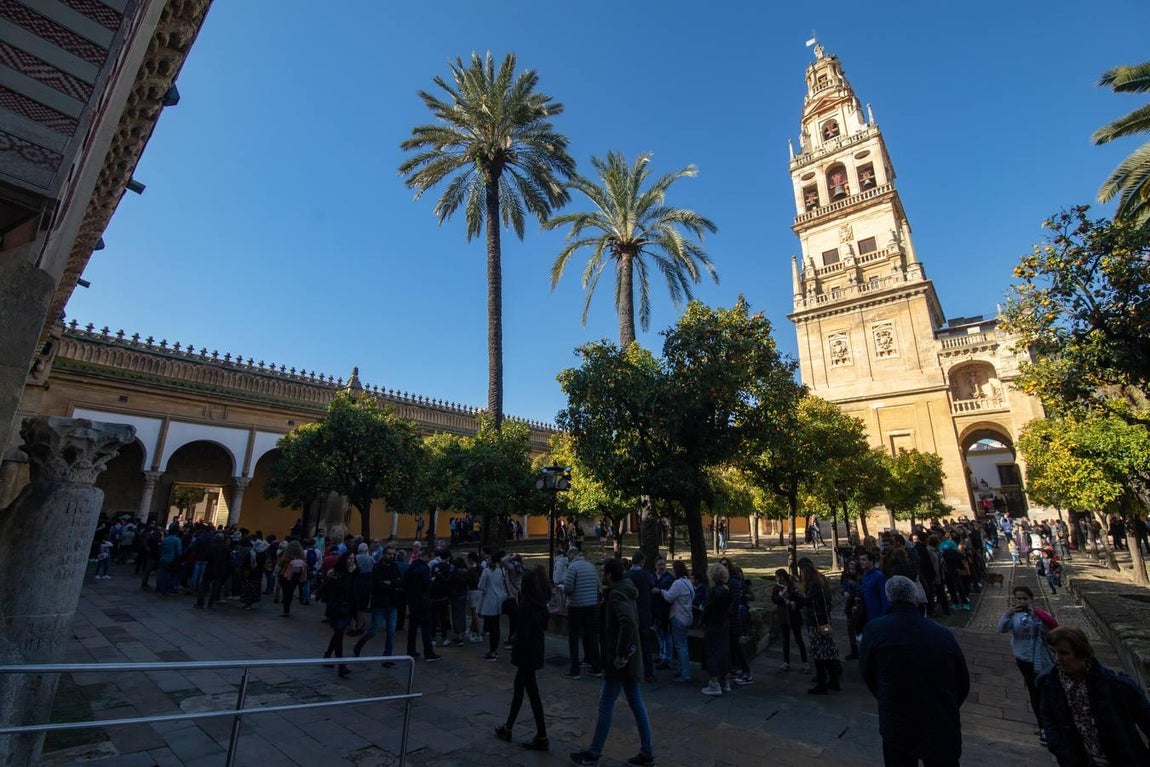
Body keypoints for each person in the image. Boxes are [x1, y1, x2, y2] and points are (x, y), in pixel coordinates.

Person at [860, 575, 971, 767]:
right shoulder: (942, 634)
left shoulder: (875, 630)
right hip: (940, 719)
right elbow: (962, 681)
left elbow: (868, 672)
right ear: (915, 597)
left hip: (897, 719)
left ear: (888, 598)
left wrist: (887, 695)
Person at [569, 557, 654, 767]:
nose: (601, 575)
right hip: (629, 659)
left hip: (619, 663)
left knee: (606, 704)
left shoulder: (616, 595)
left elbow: (627, 623)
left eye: (603, 571)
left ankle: (594, 753)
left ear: (609, 574)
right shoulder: (625, 590)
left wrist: (620, 654)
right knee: (636, 704)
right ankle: (646, 752)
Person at [1038, 626, 1150, 766]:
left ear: (1082, 654)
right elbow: (1048, 718)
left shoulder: (1117, 686)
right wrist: (1059, 747)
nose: (1057, 658)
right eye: (1054, 652)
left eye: (1064, 653)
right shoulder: (1050, 683)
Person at [495, 565, 551, 751]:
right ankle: (508, 727)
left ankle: (541, 735)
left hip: (526, 655)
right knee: (521, 689)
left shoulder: (527, 606)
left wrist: (516, 641)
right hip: (535, 652)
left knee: (530, 693)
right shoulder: (541, 603)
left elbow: (524, 633)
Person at [998, 585, 1057, 742]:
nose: (1021, 601)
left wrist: (1036, 618)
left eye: (1024, 598)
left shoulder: (1038, 614)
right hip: (1023, 659)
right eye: (1018, 598)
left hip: (1041, 656)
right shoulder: (1013, 616)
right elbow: (1001, 629)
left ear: (1031, 599)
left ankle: (1054, 721)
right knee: (1034, 691)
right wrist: (1007, 614)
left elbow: (1051, 630)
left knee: (1048, 688)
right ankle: (1043, 726)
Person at [796, 558, 841, 694]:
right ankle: (833, 680)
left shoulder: (814, 585)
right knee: (827, 651)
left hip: (817, 623)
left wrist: (799, 598)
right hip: (823, 621)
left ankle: (823, 683)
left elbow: (809, 601)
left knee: (819, 653)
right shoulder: (820, 581)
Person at [353, 544, 402, 666]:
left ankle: (387, 657)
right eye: (389, 554)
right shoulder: (376, 568)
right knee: (373, 631)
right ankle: (359, 645)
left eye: (393, 554)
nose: (391, 556)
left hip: (392, 604)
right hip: (379, 605)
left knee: (391, 632)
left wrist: (389, 583)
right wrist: (392, 584)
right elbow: (378, 585)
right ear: (384, 554)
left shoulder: (395, 567)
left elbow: (399, 582)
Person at [563, 547, 602, 678]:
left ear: (572, 554)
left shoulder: (572, 568)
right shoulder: (591, 566)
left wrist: (565, 590)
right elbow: (598, 584)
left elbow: (568, 588)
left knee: (573, 638)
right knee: (591, 636)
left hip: (576, 606)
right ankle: (596, 666)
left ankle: (575, 670)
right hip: (591, 606)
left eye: (568, 555)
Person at [654, 560, 695, 683]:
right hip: (687, 616)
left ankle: (685, 673)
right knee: (683, 644)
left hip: (678, 616)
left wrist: (661, 591)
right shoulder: (688, 582)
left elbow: (669, 597)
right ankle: (683, 669)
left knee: (681, 646)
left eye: (673, 569)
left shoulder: (678, 583)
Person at [321, 552, 355, 678]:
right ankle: (341, 665)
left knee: (338, 634)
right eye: (349, 558)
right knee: (339, 635)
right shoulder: (336, 574)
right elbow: (332, 592)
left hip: (346, 608)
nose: (351, 561)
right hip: (337, 608)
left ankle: (328, 655)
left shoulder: (351, 573)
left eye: (353, 559)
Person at [700, 562, 732, 696]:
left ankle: (714, 683)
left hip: (713, 625)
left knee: (712, 652)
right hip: (724, 624)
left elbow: (708, 608)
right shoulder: (727, 589)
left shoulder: (713, 591)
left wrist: (702, 617)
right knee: (724, 652)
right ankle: (725, 681)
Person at [625, 551, 657, 683]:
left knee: (630, 643)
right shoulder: (646, 575)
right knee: (646, 644)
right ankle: (648, 673)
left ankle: (630, 670)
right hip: (644, 614)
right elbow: (652, 586)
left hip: (631, 612)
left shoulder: (627, 576)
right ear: (641, 561)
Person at [773, 568, 809, 672]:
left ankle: (805, 662)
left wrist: (795, 604)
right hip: (783, 617)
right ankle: (786, 662)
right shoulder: (776, 587)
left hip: (794, 616)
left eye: (777, 576)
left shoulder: (792, 586)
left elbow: (800, 599)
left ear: (782, 577)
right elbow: (774, 599)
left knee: (799, 639)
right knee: (786, 640)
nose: (776, 578)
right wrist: (781, 598)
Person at [477, 552, 507, 661]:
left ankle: (492, 651)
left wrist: (485, 589)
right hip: (499, 600)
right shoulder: (501, 571)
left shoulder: (487, 571)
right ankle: (495, 650)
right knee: (496, 627)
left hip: (489, 601)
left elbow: (480, 586)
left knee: (491, 627)